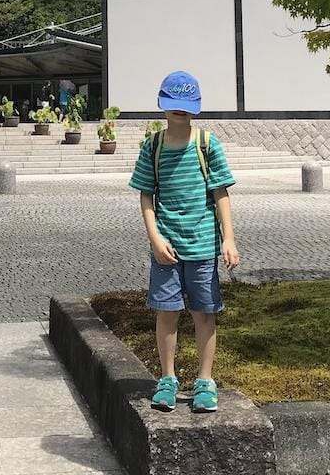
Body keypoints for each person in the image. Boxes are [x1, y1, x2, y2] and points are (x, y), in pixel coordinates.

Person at [128, 70, 239, 413]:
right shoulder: (154, 146)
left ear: (196, 108)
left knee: (205, 314)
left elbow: (220, 194)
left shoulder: (207, 144)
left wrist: (229, 239)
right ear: (163, 105)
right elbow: (146, 195)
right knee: (167, 312)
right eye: (174, 104)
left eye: (186, 105)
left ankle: (205, 380)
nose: (180, 111)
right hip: (166, 248)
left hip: (204, 245)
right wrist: (155, 236)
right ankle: (167, 378)